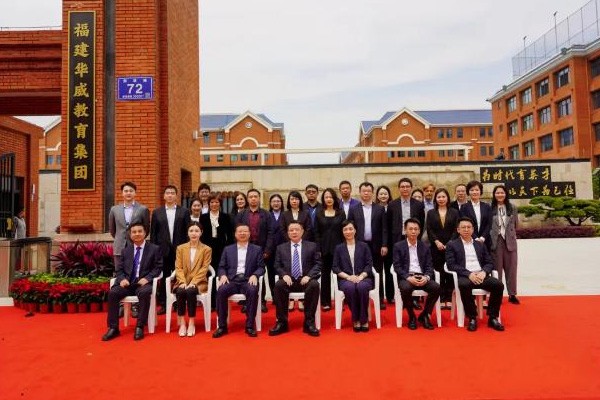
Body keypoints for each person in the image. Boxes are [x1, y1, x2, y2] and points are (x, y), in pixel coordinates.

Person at [102, 222, 163, 341]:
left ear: (145, 233)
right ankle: (113, 328)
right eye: (134, 232)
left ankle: (140, 326)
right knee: (113, 293)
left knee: (144, 293)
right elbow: (119, 269)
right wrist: (122, 279)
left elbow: (158, 268)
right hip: (128, 284)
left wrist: (148, 278)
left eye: (140, 231)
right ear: (130, 235)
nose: (137, 234)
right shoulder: (126, 251)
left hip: (143, 283)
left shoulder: (154, 249)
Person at [445, 217, 505, 332]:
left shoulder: (480, 244)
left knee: (498, 285)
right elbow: (451, 265)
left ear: (473, 229)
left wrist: (484, 272)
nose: (466, 229)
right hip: (465, 276)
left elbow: (489, 262)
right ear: (458, 230)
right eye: (463, 227)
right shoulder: (452, 245)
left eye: (469, 227)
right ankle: (472, 317)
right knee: (464, 285)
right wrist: (469, 274)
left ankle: (493, 318)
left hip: (481, 275)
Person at [213, 224, 265, 338]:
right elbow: (221, 267)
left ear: (249, 234)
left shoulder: (257, 249)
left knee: (252, 291)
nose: (242, 233)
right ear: (235, 234)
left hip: (247, 280)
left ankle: (249, 326)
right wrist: (223, 275)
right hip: (232, 280)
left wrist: (255, 275)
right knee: (221, 291)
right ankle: (222, 326)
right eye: (240, 231)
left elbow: (261, 267)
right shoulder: (228, 249)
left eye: (245, 231)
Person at [269, 222, 321, 337]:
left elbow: (318, 264)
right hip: (289, 279)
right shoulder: (281, 248)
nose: (294, 232)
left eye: (297, 230)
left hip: (305, 279)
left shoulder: (312, 246)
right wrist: (283, 274)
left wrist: (309, 276)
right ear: (288, 233)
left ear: (302, 231)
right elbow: (277, 265)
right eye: (291, 230)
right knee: (279, 285)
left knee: (314, 285)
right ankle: (282, 323)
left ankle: (309, 323)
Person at [393, 218, 440, 330]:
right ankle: (412, 316)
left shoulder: (425, 246)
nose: (413, 231)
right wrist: (408, 277)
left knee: (436, 287)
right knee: (405, 288)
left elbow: (429, 266)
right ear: (405, 230)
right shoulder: (398, 246)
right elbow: (397, 267)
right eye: (410, 229)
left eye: (416, 229)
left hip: (422, 276)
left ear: (419, 231)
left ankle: (425, 315)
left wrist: (426, 277)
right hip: (407, 277)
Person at [347, 182, 388, 309]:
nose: (366, 193)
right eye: (364, 191)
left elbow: (384, 228)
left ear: (372, 192)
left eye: (368, 191)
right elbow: (349, 227)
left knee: (378, 272)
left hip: (376, 246)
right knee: (361, 271)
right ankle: (361, 298)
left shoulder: (380, 208)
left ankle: (379, 299)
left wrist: (384, 245)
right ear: (360, 192)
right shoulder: (354, 209)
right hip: (359, 246)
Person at [150, 185, 189, 314]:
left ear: (176, 196)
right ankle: (164, 303)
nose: (170, 195)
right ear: (164, 196)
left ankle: (179, 303)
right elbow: (153, 234)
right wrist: (154, 251)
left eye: (172, 193)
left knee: (180, 277)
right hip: (163, 251)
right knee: (164, 277)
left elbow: (188, 231)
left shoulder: (184, 211)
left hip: (180, 250)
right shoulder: (157, 212)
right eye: (168, 193)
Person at [332, 220, 374, 332]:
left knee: (362, 287)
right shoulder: (339, 248)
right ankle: (356, 319)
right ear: (342, 232)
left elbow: (369, 264)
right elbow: (335, 267)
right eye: (345, 229)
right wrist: (348, 277)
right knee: (350, 288)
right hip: (346, 279)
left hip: (364, 278)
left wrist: (361, 277)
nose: (348, 232)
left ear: (355, 230)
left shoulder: (364, 246)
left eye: (350, 229)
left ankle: (363, 319)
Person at [235, 189, 273, 312]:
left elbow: (271, 232)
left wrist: (267, 249)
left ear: (259, 198)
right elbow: (237, 232)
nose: (253, 199)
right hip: (246, 248)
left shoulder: (266, 214)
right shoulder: (242, 214)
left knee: (261, 274)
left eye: (255, 196)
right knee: (247, 274)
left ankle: (261, 301)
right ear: (248, 199)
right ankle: (248, 302)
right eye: (250, 197)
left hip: (262, 248)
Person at [173, 221, 212, 337]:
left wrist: (194, 282)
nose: (194, 233)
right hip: (182, 281)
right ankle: (182, 323)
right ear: (187, 233)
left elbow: (204, 269)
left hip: (199, 282)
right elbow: (178, 267)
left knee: (191, 291)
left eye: (196, 231)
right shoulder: (180, 248)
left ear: (201, 233)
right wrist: (183, 282)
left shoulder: (206, 249)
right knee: (180, 291)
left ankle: (191, 322)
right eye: (191, 231)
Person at [426, 188, 459, 309]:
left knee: (449, 272)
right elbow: (429, 229)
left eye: (443, 197)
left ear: (447, 198)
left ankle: (449, 298)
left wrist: (450, 243)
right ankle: (440, 297)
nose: (441, 199)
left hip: (451, 247)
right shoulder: (431, 213)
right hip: (436, 247)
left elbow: (456, 229)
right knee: (438, 272)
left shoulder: (454, 212)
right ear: (436, 199)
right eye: (439, 197)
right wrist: (436, 242)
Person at [200, 195, 234, 310]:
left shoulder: (225, 217)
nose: (214, 204)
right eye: (212, 202)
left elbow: (229, 234)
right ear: (208, 204)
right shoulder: (203, 217)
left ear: (220, 204)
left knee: (221, 273)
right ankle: (210, 301)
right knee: (209, 274)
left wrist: (229, 249)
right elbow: (201, 235)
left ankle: (220, 301)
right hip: (207, 248)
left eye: (216, 202)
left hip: (222, 248)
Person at [314, 188, 345, 311]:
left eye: (331, 197)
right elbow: (316, 232)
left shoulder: (341, 213)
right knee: (325, 277)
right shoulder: (319, 213)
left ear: (334, 198)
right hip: (324, 249)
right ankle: (325, 302)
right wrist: (318, 248)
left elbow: (344, 231)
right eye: (326, 197)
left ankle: (340, 301)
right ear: (323, 199)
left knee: (340, 276)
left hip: (339, 249)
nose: (328, 199)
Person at [108, 181, 150, 267]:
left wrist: (137, 238)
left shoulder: (143, 209)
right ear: (122, 193)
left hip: (137, 245)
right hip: (119, 247)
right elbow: (112, 230)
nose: (128, 193)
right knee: (119, 271)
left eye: (131, 191)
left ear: (135, 193)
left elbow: (146, 229)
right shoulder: (114, 209)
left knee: (136, 270)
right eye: (126, 191)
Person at [490, 185, 519, 304]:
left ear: (506, 194)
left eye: (502, 193)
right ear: (494, 195)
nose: (500, 195)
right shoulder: (490, 207)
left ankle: (512, 294)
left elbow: (516, 224)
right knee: (497, 270)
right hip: (495, 241)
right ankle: (497, 295)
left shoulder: (512, 207)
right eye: (497, 193)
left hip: (509, 241)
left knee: (511, 269)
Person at [387, 178, 425, 245]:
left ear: (411, 188)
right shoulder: (392, 204)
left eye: (407, 187)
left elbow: (421, 223)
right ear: (399, 188)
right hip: (397, 238)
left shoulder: (418, 205)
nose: (405, 189)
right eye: (402, 187)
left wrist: (418, 237)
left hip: (413, 237)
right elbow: (389, 223)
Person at [265, 194, 286, 310]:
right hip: (271, 250)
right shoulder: (267, 215)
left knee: (283, 273)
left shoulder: (285, 215)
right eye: (274, 201)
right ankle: (274, 296)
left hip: (283, 249)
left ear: (281, 203)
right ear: (270, 203)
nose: (276, 203)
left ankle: (283, 296)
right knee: (271, 274)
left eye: (278, 201)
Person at [459, 180, 492, 252]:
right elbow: (464, 224)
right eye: (472, 190)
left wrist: (482, 237)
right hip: (469, 239)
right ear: (468, 192)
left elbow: (489, 224)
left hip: (485, 240)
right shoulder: (464, 207)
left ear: (480, 191)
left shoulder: (487, 206)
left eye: (477, 190)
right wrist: (475, 238)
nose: (474, 192)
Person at [375, 185, 395, 306]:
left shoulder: (393, 207)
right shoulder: (374, 208)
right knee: (378, 272)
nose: (383, 196)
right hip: (378, 244)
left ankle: (391, 296)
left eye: (385, 194)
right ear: (377, 196)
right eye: (381, 194)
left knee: (389, 271)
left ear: (389, 195)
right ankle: (379, 298)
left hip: (391, 244)